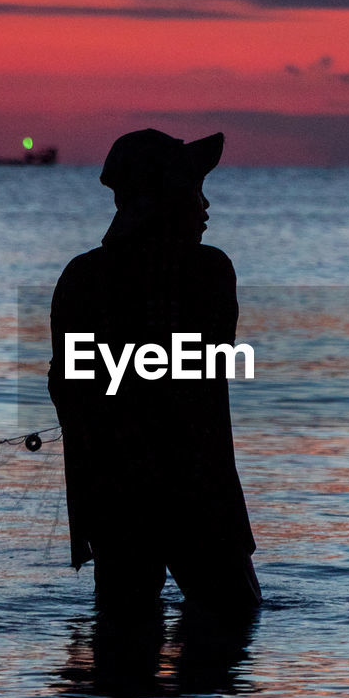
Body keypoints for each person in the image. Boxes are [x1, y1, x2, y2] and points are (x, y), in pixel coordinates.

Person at [48, 128, 260, 617]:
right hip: (198, 493)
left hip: (112, 496)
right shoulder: (208, 270)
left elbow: (67, 388)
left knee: (120, 646)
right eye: (193, 191)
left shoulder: (81, 277)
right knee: (230, 629)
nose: (205, 206)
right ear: (162, 196)